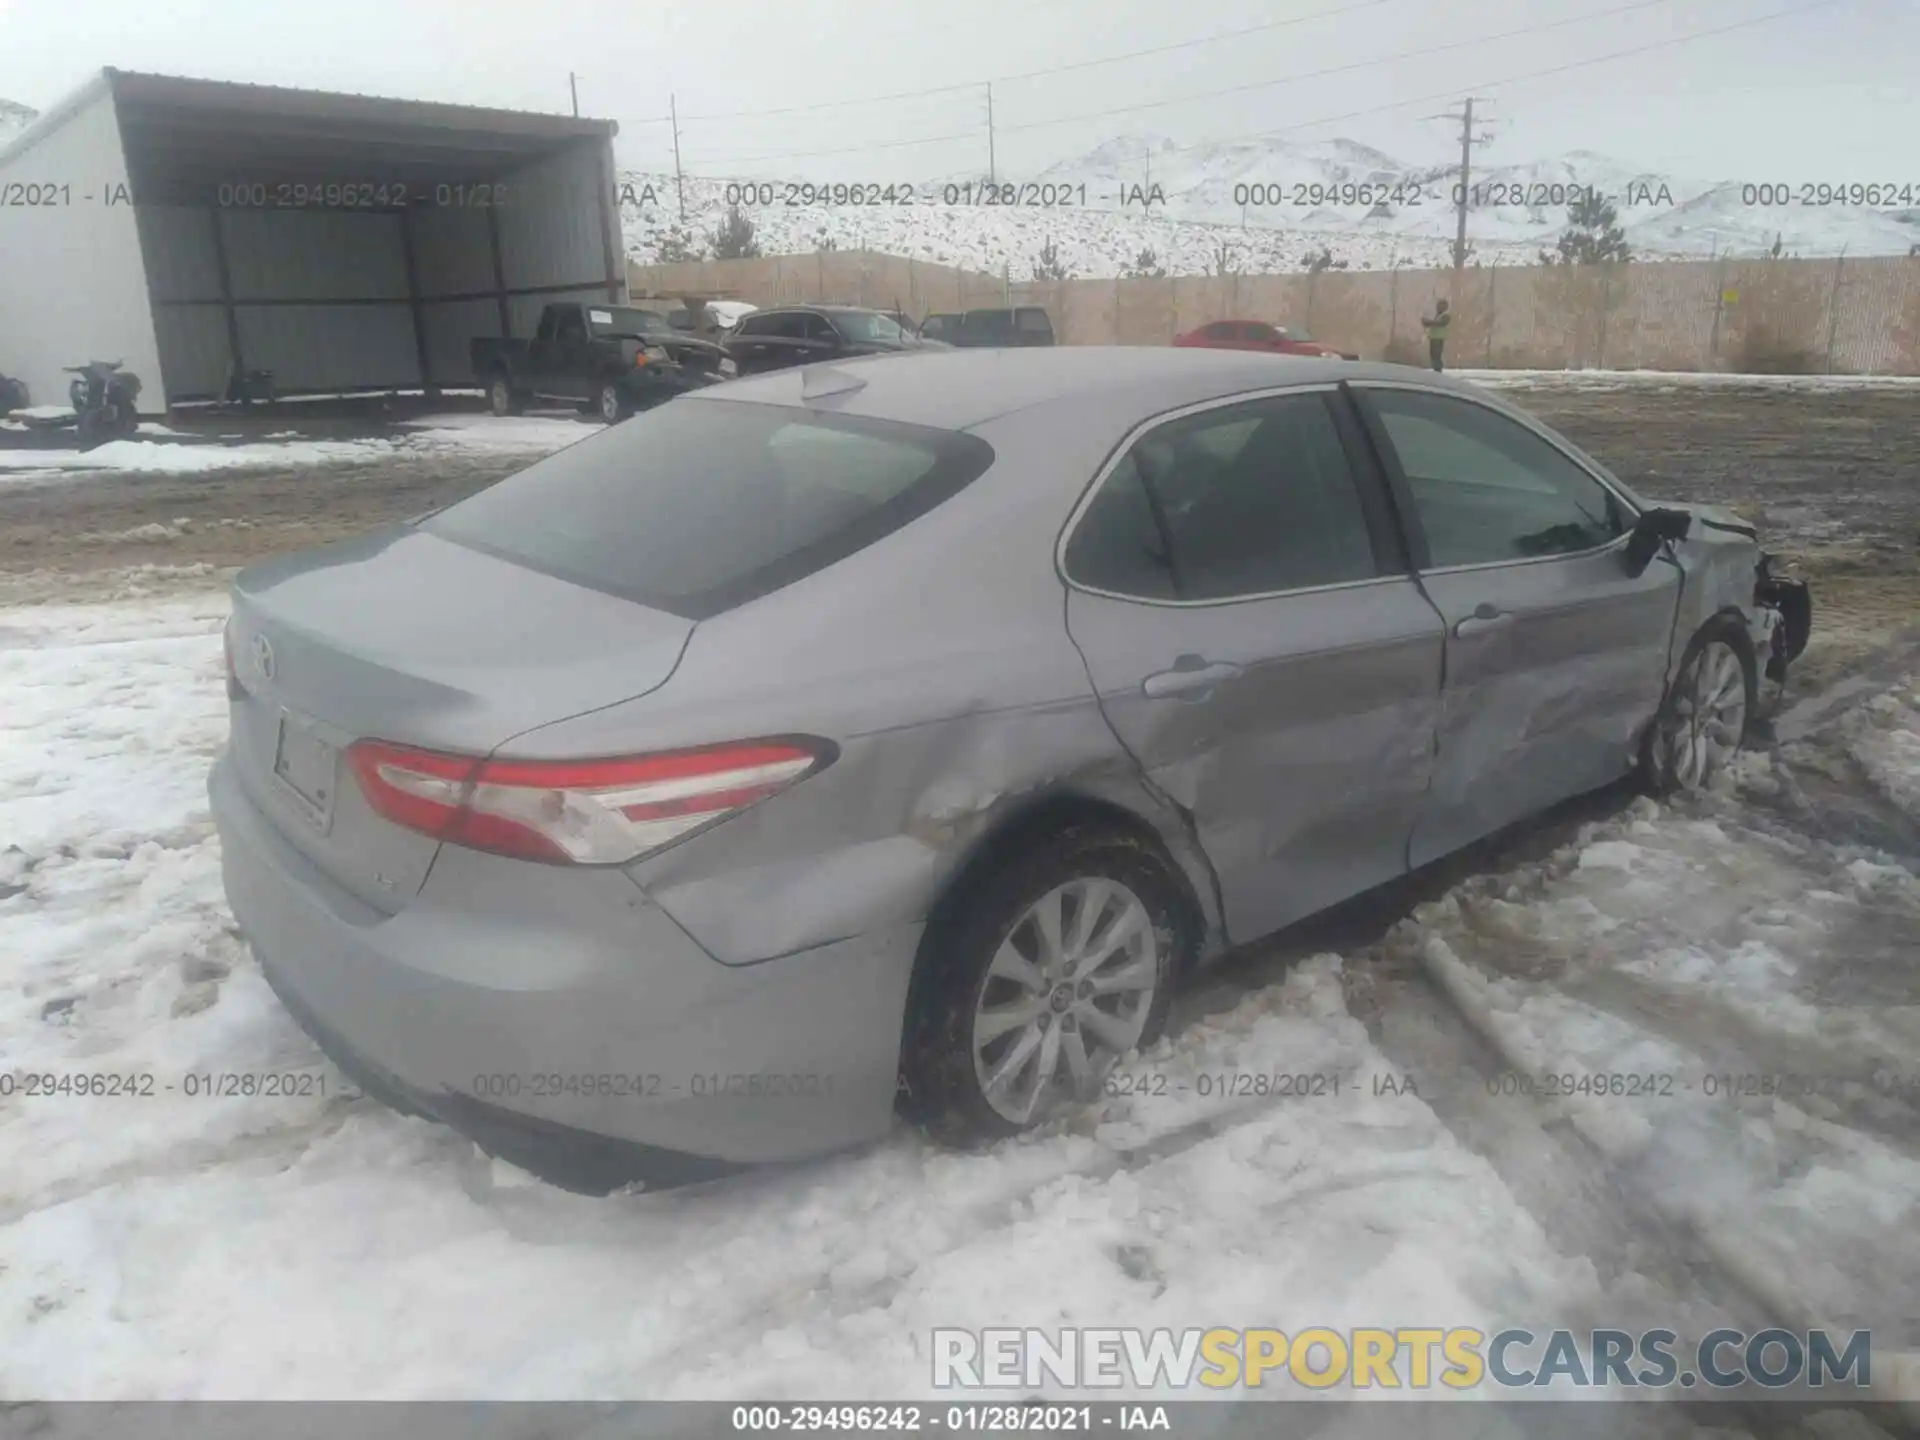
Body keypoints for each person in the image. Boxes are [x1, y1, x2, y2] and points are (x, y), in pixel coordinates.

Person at [1421, 298, 1451, 371]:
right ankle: (1436, 369)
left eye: (1439, 306)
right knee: (1433, 355)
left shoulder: (1445, 316)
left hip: (1439, 338)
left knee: (1436, 355)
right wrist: (1425, 322)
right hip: (1433, 337)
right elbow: (1432, 324)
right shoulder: (1437, 315)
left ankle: (1438, 370)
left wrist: (1429, 322)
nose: (1437, 307)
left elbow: (1440, 323)